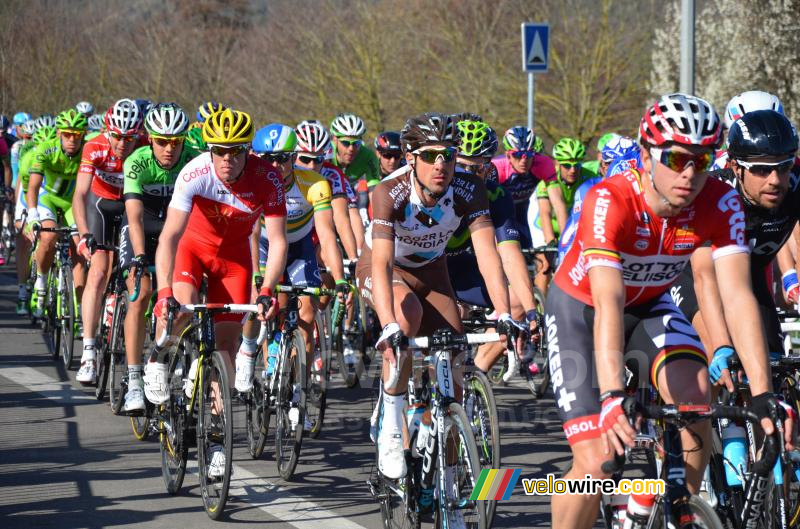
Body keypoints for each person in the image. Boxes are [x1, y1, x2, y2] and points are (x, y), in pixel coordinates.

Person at [545, 93, 791, 529]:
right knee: (598, 459)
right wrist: (610, 397)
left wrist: (762, 395)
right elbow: (608, 301)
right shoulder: (610, 199)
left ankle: (665, 506)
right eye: (676, 160)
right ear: (645, 156)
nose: (691, 174)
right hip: (582, 311)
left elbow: (736, 294)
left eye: (701, 159)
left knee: (697, 405)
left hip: (651, 305)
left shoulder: (720, 201)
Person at [356, 112, 520, 490]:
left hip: (432, 271)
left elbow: (487, 254)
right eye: (430, 156)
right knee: (406, 318)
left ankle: (443, 475)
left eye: (448, 154)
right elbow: (380, 263)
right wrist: (389, 326)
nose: (441, 164)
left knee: (454, 365)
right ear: (411, 157)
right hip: (386, 268)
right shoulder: (389, 193)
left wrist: (504, 313)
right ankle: (391, 429)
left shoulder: (468, 189)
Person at [144, 109, 288, 477]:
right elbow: (170, 237)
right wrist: (163, 291)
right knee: (178, 312)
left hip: (234, 260)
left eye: (236, 151)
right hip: (192, 250)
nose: (227, 159)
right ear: (210, 149)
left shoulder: (267, 178)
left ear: (247, 151)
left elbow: (279, 240)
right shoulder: (194, 172)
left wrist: (267, 290)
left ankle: (215, 441)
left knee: (222, 353)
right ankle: (159, 358)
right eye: (220, 150)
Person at [670, 110, 800, 390]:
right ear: (735, 166)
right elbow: (704, 276)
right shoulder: (713, 194)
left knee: (774, 372)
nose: (776, 180)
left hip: (749, 275)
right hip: (692, 276)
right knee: (722, 369)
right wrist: (721, 346)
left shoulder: (795, 184)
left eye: (784, 166)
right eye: (762, 169)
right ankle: (727, 430)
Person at [250, 122, 348, 424]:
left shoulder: (315, 184)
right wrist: (257, 275)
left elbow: (327, 235)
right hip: (267, 248)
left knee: (306, 316)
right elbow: (252, 233)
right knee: (271, 306)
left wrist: (340, 277)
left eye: (283, 158)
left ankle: (296, 392)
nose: (276, 165)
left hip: (300, 248)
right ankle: (270, 368)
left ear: (294, 158)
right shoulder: (254, 182)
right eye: (269, 159)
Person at [119, 103, 198, 412]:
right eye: (162, 141)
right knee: (141, 294)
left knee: (184, 301)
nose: (169, 148)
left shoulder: (193, 160)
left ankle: (162, 356)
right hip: (143, 229)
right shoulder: (136, 163)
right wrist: (139, 258)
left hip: (176, 232)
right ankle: (135, 382)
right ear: (150, 139)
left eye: (175, 141)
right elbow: (134, 219)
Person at [446, 119, 538, 374]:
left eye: (477, 168)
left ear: (488, 168)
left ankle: (475, 376)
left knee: (517, 301)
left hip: (464, 266)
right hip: (430, 268)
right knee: (449, 318)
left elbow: (510, 255)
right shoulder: (436, 190)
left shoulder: (495, 195)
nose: (468, 175)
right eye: (462, 166)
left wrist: (531, 312)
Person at [73, 99, 143, 385]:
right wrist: (84, 232)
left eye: (129, 138)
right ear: (107, 131)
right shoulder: (94, 147)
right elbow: (80, 195)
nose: (123, 143)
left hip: (129, 207)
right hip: (100, 205)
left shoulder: (144, 147)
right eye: (117, 136)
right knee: (99, 271)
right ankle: (88, 352)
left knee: (132, 273)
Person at [25, 110, 88, 319]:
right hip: (48, 198)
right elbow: (33, 187)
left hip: (73, 203)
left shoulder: (87, 151)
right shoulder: (46, 149)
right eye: (68, 134)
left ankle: (78, 312)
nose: (72, 140)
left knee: (80, 250)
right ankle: (41, 280)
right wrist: (33, 215)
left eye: (77, 135)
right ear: (59, 133)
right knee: (49, 236)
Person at [294, 119, 361, 258]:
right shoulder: (284, 171)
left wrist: (355, 257)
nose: (312, 166)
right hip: (284, 230)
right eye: (305, 159)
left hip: (316, 231)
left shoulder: (332, 174)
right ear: (293, 156)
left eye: (318, 160)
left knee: (329, 258)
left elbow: (342, 218)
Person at [13, 125, 56, 314]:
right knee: (23, 237)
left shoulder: (56, 157)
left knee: (54, 236)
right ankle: (22, 292)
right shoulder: (28, 158)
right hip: (28, 196)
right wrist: (20, 216)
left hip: (50, 198)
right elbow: (24, 191)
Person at [492, 126, 556, 248]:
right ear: (508, 155)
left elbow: (557, 204)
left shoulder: (543, 163)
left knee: (530, 251)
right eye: (517, 154)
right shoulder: (496, 167)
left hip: (521, 210)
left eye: (528, 154)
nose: (523, 160)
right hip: (498, 212)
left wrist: (557, 241)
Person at [329, 112, 381, 224]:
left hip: (349, 195)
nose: (351, 148)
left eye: (356, 143)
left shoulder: (368, 156)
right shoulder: (326, 154)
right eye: (346, 143)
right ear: (334, 139)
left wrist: (379, 223)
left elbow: (374, 193)